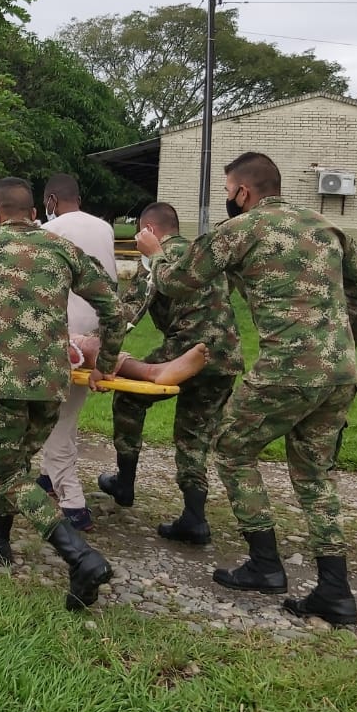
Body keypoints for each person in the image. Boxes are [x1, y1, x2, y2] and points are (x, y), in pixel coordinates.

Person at [137, 152, 357, 626]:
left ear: (242, 193)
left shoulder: (241, 230)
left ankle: (266, 564)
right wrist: (342, 344)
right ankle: (334, 588)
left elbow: (178, 282)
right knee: (314, 474)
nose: (229, 199)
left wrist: (155, 253)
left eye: (228, 192)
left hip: (287, 370)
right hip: (339, 373)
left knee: (231, 448)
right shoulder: (324, 226)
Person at [0, 177, 126, 611]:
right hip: (52, 382)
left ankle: (80, 557)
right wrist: (106, 363)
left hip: (2, 382)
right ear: (36, 212)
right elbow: (113, 306)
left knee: (10, 476)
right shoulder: (61, 248)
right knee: (15, 464)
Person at [100, 202, 243, 547]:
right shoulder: (201, 256)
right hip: (225, 356)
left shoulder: (157, 260)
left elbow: (128, 315)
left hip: (185, 348)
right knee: (194, 435)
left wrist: (104, 355)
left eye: (138, 233)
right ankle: (194, 518)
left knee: (128, 396)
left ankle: (125, 482)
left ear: (149, 231)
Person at [34, 173, 119, 531]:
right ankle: (47, 478)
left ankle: (73, 503)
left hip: (62, 336)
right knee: (66, 415)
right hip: (98, 333)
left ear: (51, 200)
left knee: (55, 420)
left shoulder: (49, 232)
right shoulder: (105, 228)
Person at [0, 310, 207, 386]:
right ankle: (152, 371)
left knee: (87, 347)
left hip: (12, 331)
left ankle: (152, 371)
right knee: (84, 346)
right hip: (3, 340)